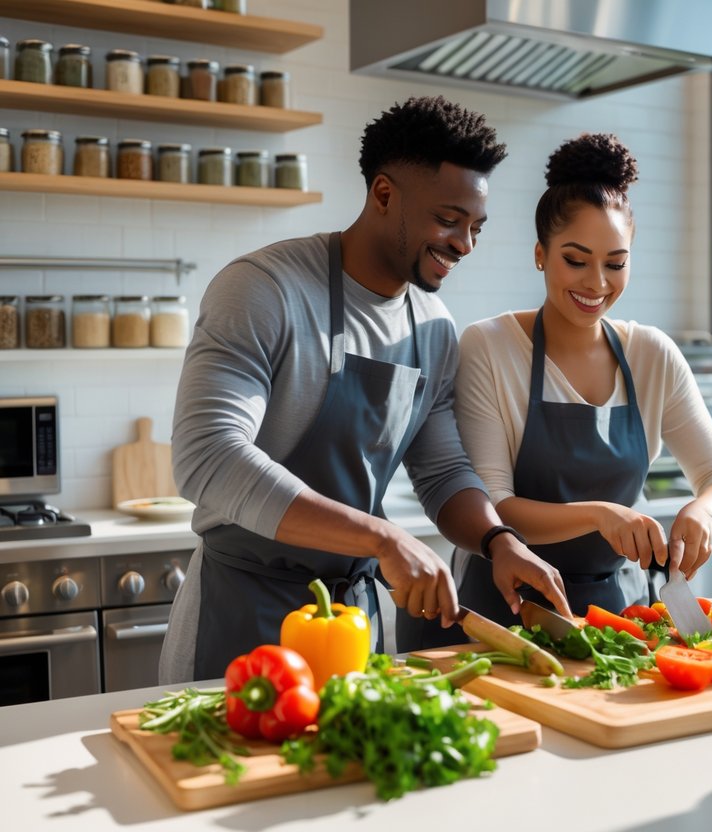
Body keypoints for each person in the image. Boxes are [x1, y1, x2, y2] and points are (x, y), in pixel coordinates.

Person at [160, 96, 571, 684]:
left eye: (475, 227)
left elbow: (442, 470)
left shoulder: (433, 328)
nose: (464, 245)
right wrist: (381, 537)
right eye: (448, 220)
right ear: (383, 195)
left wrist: (497, 540)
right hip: (240, 617)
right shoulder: (264, 290)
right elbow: (207, 458)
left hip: (353, 627)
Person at [409, 133, 712, 645]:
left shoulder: (652, 354)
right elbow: (495, 504)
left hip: (619, 617)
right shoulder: (490, 346)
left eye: (615, 263)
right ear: (541, 255)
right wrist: (599, 515)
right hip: (506, 611)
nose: (596, 283)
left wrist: (703, 511)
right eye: (576, 259)